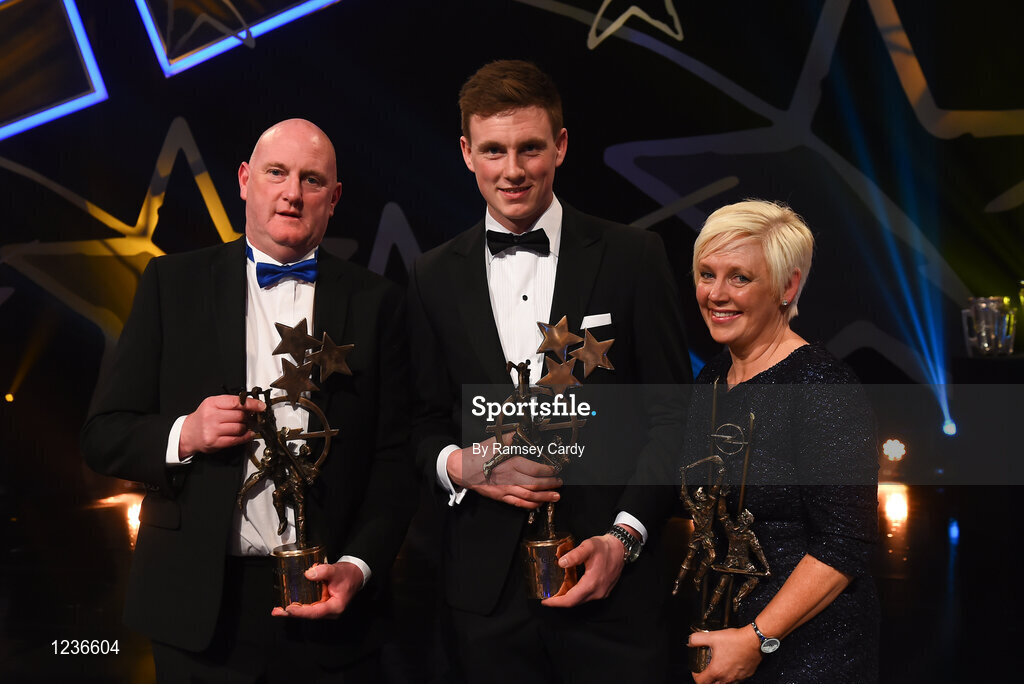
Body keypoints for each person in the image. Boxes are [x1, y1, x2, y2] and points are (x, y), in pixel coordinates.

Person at [81, 119, 414, 682]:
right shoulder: (170, 285)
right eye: (276, 173)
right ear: (244, 180)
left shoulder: (379, 303)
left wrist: (359, 565)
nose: (292, 193)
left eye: (312, 180)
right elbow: (103, 435)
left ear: (333, 199)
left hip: (333, 610)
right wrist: (185, 433)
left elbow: (396, 459)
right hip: (197, 611)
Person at [408, 60, 692, 682]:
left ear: (560, 146)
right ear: (466, 153)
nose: (512, 170)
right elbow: (420, 422)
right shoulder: (431, 275)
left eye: (530, 148)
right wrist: (461, 465)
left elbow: (674, 414)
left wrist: (627, 538)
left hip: (612, 586)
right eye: (494, 150)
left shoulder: (633, 257)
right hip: (482, 604)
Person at [683, 199, 879, 683]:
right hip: (723, 639)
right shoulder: (711, 377)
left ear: (788, 286)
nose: (717, 294)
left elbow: (843, 545)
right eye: (707, 274)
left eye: (740, 278)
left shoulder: (822, 386)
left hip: (808, 654)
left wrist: (756, 637)